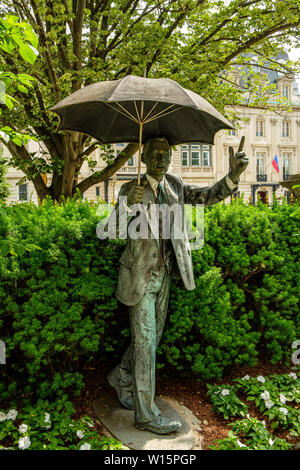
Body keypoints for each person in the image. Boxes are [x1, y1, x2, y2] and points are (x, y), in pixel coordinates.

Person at [107, 136, 248, 434]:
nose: (161, 160)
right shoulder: (129, 188)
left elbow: (207, 196)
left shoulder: (175, 185)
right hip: (139, 276)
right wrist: (125, 205)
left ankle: (121, 376)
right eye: (155, 154)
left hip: (165, 275)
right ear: (143, 156)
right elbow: (113, 230)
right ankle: (146, 415)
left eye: (165, 155)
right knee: (145, 343)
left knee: (151, 339)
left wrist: (233, 175)